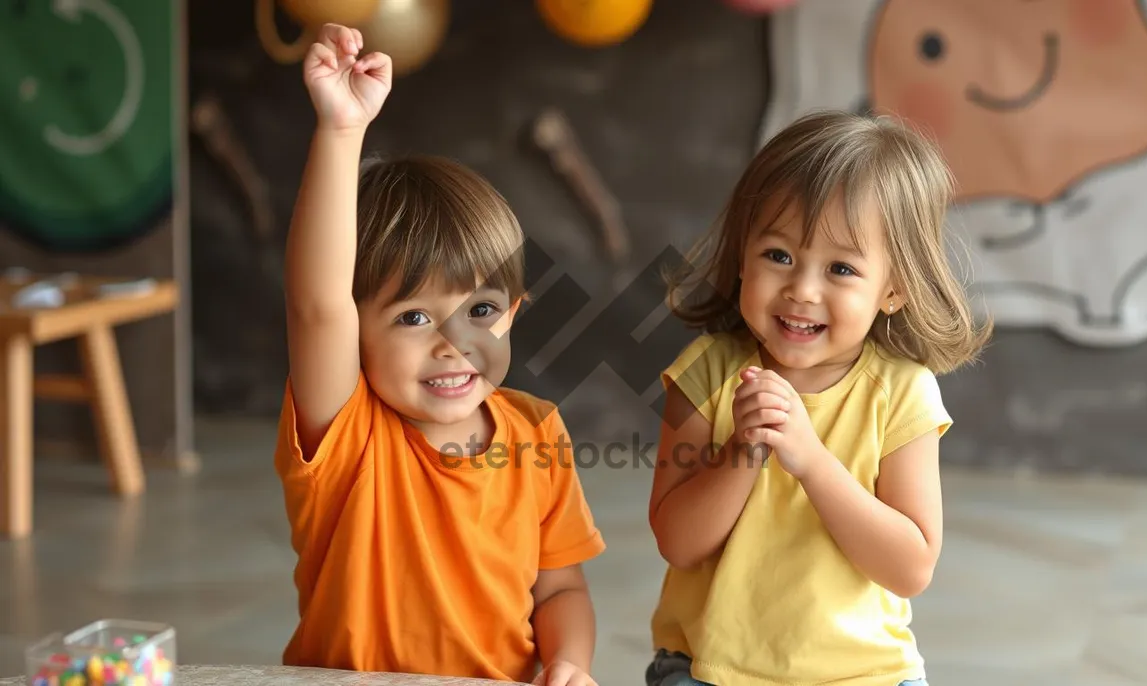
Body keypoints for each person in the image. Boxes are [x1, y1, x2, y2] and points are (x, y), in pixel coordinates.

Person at [273, 24, 606, 686]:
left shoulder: (538, 433)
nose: (454, 344)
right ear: (356, 334)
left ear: (513, 312)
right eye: (413, 316)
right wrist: (341, 133)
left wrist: (568, 662)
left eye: (480, 310)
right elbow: (317, 306)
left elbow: (560, 591)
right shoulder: (347, 431)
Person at [644, 110, 992, 686]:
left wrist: (811, 461)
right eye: (778, 255)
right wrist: (744, 452)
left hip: (867, 675)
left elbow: (909, 567)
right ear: (742, 256)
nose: (802, 290)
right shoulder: (705, 374)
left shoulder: (902, 394)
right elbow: (678, 543)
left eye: (840, 268)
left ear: (894, 289)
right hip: (708, 669)